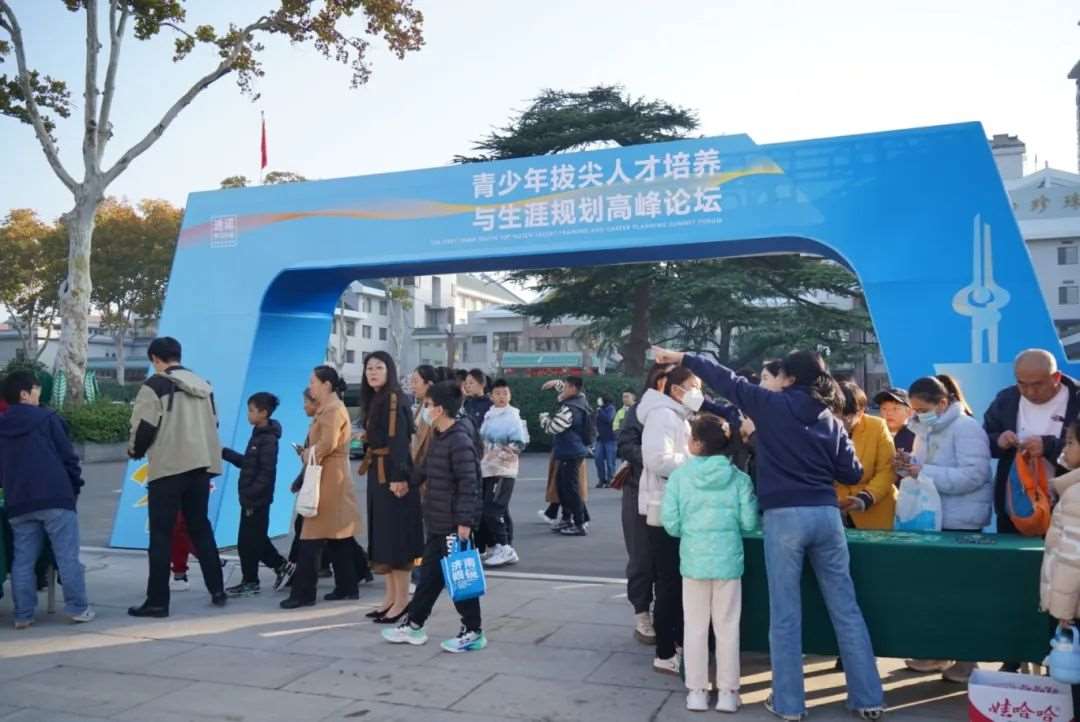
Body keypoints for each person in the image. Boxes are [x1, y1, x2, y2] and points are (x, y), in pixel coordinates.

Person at [653, 346, 885, 722]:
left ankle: (789, 704)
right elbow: (852, 472)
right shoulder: (829, 417)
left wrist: (683, 357)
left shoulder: (770, 405)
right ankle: (869, 698)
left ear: (788, 377)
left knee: (786, 613)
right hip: (827, 517)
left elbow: (725, 379)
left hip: (784, 518)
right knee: (846, 608)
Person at [897, 376, 992, 683]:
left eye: (922, 409)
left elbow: (974, 476)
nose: (917, 414)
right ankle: (938, 651)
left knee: (960, 595)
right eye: (913, 409)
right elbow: (923, 467)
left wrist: (923, 471)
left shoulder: (966, 428)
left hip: (960, 521)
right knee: (935, 592)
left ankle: (967, 660)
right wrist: (907, 466)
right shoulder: (924, 428)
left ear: (942, 403)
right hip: (933, 518)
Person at [662, 413, 758, 713]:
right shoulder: (739, 479)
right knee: (728, 626)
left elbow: (671, 524)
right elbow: (749, 523)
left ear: (697, 444)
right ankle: (728, 692)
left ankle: (697, 691)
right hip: (728, 562)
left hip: (694, 561)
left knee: (695, 626)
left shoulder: (680, 477)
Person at [383, 380, 487, 652]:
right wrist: (407, 482)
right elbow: (426, 469)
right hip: (438, 522)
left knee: (460, 579)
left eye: (427, 405)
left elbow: (470, 484)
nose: (424, 409)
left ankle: (473, 631)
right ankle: (414, 625)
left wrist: (464, 523)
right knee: (428, 578)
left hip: (453, 524)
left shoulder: (460, 441)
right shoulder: (441, 436)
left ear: (439, 409)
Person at [127, 337, 226, 618]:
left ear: (155, 359)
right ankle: (217, 590)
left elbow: (145, 427)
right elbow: (215, 423)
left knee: (161, 535)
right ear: (178, 356)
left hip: (169, 468)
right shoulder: (204, 386)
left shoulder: (155, 385)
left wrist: (135, 450)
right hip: (201, 466)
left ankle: (158, 602)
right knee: (200, 528)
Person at [0, 371, 94, 628]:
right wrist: (74, 487)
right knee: (66, 556)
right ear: (24, 394)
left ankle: (23, 614)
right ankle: (78, 608)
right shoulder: (48, 418)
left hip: (18, 501)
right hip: (55, 496)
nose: (39, 393)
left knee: (23, 560)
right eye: (36, 389)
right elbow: (68, 458)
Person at [639, 365, 703, 676]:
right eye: (693, 386)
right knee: (669, 583)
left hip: (676, 507)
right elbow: (657, 459)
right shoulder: (662, 415)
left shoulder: (679, 415)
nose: (697, 392)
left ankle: (674, 643)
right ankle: (665, 652)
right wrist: (697, 461)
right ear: (675, 388)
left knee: (676, 581)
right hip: (662, 508)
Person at [281, 366, 363, 609]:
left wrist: (307, 454)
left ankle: (304, 593)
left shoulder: (332, 410)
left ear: (326, 385)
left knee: (311, 536)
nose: (311, 386)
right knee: (337, 536)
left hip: (328, 478)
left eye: (313, 382)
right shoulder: (330, 408)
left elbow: (327, 443)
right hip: (330, 475)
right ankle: (347, 587)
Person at [985, 349, 1080, 534]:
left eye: (1037, 385)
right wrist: (999, 441)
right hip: (1017, 505)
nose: (1030, 392)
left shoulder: (1076, 400)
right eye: (1022, 384)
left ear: (1056, 377)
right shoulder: (1006, 399)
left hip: (1069, 504)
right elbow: (983, 441)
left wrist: (1049, 446)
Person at [360, 352, 421, 624]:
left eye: (379, 367)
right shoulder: (377, 399)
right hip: (378, 471)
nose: (373, 372)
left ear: (389, 371)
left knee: (397, 538)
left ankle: (402, 601)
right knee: (383, 536)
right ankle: (390, 598)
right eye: (369, 368)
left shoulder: (394, 398)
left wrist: (399, 477)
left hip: (393, 474)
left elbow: (399, 441)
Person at [616, 364, 672, 645]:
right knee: (641, 556)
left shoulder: (685, 413)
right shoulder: (639, 411)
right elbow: (624, 444)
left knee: (668, 558)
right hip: (639, 489)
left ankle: (666, 615)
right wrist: (654, 458)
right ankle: (641, 613)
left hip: (674, 492)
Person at [222, 392, 294, 596]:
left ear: (263, 413)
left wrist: (251, 494)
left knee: (248, 542)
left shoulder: (268, 439)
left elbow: (266, 472)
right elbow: (249, 463)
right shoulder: (258, 435)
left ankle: (253, 580)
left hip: (256, 500)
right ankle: (279, 568)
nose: (249, 414)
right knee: (254, 539)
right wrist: (226, 453)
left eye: (252, 410)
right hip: (251, 499)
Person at [1039, 418, 1080, 720]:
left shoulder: (1076, 495)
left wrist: (1063, 612)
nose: (1065, 449)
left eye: (1070, 442)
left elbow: (1072, 559)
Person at [479, 379, 528, 567]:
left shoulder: (512, 416)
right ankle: (498, 546)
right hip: (487, 468)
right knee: (497, 509)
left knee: (493, 510)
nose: (502, 397)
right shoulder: (489, 414)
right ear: (491, 396)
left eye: (505, 393)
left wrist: (501, 454)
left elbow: (519, 443)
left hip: (503, 469)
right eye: (498, 393)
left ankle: (506, 548)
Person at [835, 381, 897, 530]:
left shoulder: (877, 426)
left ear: (861, 411)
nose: (840, 423)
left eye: (846, 418)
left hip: (875, 509)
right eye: (836, 416)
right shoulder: (823, 427)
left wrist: (865, 498)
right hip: (835, 511)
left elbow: (887, 470)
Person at [540, 376, 594, 536]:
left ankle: (579, 523)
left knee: (570, 489)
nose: (562, 391)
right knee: (564, 487)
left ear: (573, 388)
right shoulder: (580, 400)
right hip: (573, 450)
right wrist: (557, 383)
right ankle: (568, 519)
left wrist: (543, 419)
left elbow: (552, 427)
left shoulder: (569, 409)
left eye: (565, 387)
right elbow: (564, 393)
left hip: (570, 452)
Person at [872, 388, 916, 455]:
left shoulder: (917, 438)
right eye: (884, 408)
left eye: (895, 409)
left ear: (909, 412)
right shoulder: (873, 435)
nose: (889, 413)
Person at [594, 395, 618, 488]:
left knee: (610, 461)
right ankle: (601, 479)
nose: (599, 401)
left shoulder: (611, 408)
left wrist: (600, 411)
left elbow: (609, 419)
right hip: (600, 438)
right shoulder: (599, 410)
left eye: (600, 400)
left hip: (610, 439)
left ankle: (611, 480)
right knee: (598, 459)